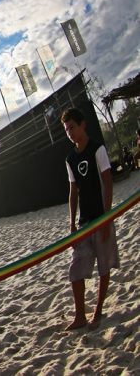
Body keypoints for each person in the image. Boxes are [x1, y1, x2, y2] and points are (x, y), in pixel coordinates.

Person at [61, 107, 119, 330]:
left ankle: (98, 311)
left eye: (72, 128)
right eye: (66, 130)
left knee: (104, 267)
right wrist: (72, 223)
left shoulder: (97, 149)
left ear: (82, 124)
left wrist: (107, 217)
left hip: (102, 217)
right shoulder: (70, 159)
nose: (70, 133)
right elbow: (73, 191)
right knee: (76, 270)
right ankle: (79, 316)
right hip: (85, 223)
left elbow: (107, 182)